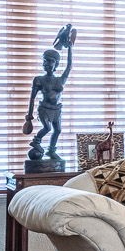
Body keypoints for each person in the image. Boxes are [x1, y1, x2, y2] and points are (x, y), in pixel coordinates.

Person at [22, 28, 76, 166]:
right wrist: (29, 115)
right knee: (47, 128)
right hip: (44, 109)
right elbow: (32, 98)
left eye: (50, 62)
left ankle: (51, 151)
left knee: (58, 130)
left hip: (56, 109)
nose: (47, 64)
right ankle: (36, 142)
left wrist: (70, 48)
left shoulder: (60, 80)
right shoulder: (39, 79)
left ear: (56, 64)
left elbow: (69, 66)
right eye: (45, 61)